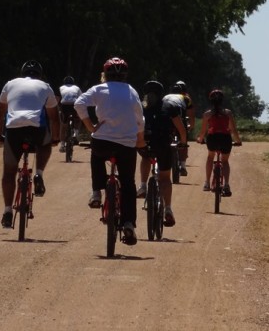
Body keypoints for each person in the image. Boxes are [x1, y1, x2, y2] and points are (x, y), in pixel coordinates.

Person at [74, 57, 145, 245]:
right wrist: (139, 139)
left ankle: (96, 193)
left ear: (105, 74)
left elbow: (79, 104)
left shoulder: (98, 89)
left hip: (103, 140)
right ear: (125, 76)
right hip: (126, 144)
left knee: (97, 156)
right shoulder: (132, 91)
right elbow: (140, 119)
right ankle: (129, 223)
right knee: (128, 182)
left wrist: (90, 127)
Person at [0, 60, 61, 228]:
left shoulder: (10, 84)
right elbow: (54, 117)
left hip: (14, 129)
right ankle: (38, 173)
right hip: (36, 128)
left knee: (9, 173)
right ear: (39, 74)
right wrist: (56, 138)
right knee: (45, 144)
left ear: (22, 73)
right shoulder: (45, 86)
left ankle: (7, 211)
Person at [136, 80, 187, 227]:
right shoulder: (169, 106)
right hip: (164, 145)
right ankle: (168, 209)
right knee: (165, 178)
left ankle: (143, 185)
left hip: (146, 143)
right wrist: (183, 143)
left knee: (145, 157)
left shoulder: (140, 106)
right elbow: (181, 129)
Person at [196, 89, 242, 196]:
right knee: (225, 161)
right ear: (222, 101)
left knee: (210, 157)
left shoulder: (207, 114)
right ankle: (226, 184)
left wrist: (200, 139)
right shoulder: (228, 113)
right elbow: (233, 130)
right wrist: (238, 141)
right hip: (225, 139)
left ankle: (207, 183)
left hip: (212, 138)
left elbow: (203, 131)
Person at [163, 83, 192, 176]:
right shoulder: (186, 97)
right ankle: (183, 166)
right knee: (183, 142)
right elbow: (191, 113)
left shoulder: (165, 97)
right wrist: (191, 126)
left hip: (167, 118)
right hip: (179, 118)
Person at [58, 75, 82, 152]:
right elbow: (81, 97)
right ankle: (76, 134)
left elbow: (58, 98)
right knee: (78, 119)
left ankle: (62, 145)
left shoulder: (61, 87)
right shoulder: (76, 88)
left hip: (64, 106)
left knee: (63, 125)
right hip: (74, 105)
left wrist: (59, 109)